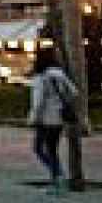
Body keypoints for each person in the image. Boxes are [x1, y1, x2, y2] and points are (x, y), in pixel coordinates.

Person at [26, 51, 78, 195]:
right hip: (59, 118)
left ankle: (58, 176)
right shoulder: (60, 75)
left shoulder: (40, 78)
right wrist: (60, 102)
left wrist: (33, 118)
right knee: (52, 149)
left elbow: (38, 101)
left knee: (39, 148)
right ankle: (57, 176)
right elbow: (74, 92)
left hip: (45, 119)